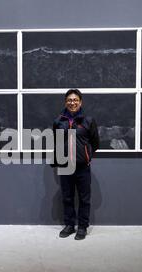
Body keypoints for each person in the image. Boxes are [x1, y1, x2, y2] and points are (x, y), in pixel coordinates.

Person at [52, 89, 99, 240]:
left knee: (84, 199)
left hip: (82, 167)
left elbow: (95, 142)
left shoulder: (88, 121)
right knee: (67, 197)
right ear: (65, 102)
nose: (72, 102)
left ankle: (83, 227)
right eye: (69, 100)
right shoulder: (59, 121)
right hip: (66, 166)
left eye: (75, 100)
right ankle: (70, 225)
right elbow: (56, 142)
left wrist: (86, 155)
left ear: (80, 102)